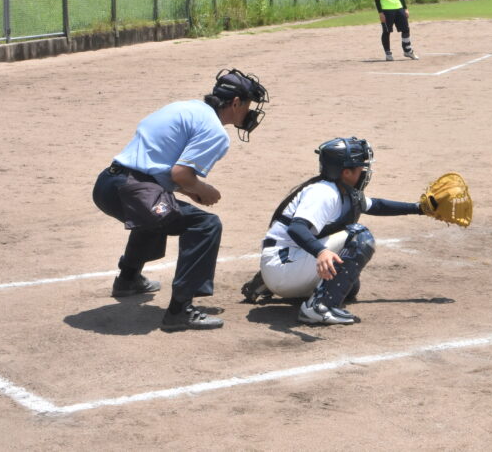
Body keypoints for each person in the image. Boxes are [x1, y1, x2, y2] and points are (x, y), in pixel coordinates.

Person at [92, 68, 269, 332]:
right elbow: (180, 173)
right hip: (133, 190)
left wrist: (190, 190)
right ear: (235, 103)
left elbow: (161, 170)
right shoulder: (215, 132)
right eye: (248, 106)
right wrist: (204, 189)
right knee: (205, 224)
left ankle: (128, 279)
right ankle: (180, 310)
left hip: (107, 183)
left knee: (160, 212)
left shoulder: (184, 108)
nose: (249, 112)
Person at [252, 137, 428, 325]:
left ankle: (270, 285)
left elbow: (377, 205)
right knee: (360, 236)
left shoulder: (343, 191)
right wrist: (321, 252)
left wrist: (420, 208)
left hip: (286, 265)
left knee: (349, 285)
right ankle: (317, 308)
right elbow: (297, 228)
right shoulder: (324, 192)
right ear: (346, 172)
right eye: (361, 167)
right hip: (283, 266)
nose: (364, 171)